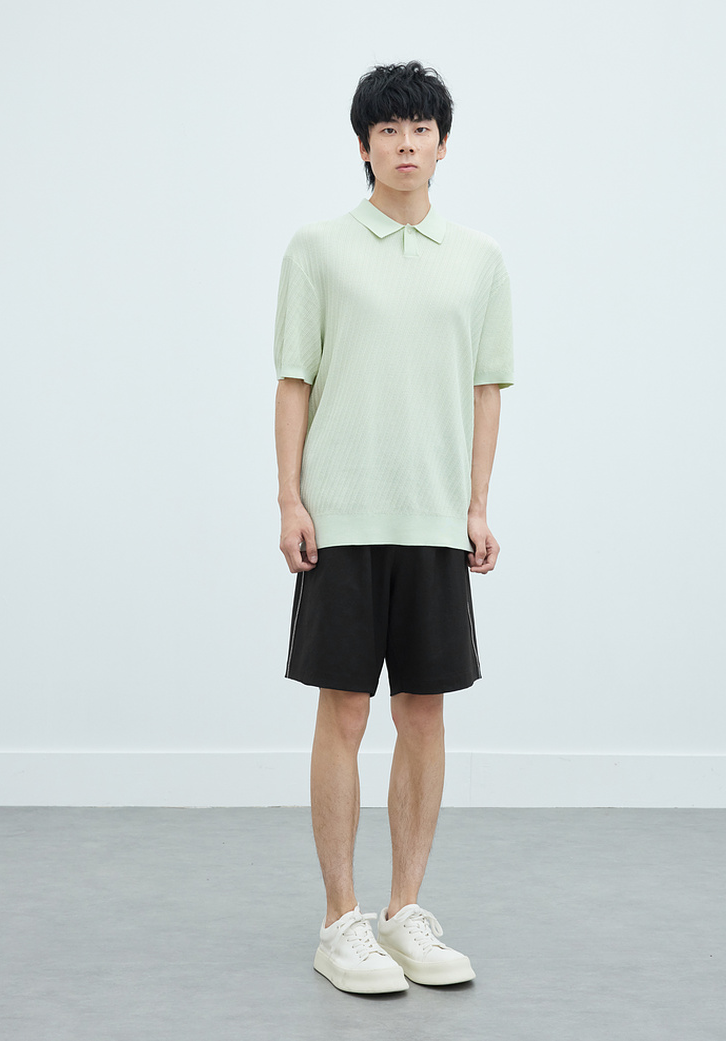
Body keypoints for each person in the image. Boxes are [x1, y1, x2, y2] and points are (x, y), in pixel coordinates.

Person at [273, 60, 513, 994]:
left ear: (443, 145)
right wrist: (290, 500)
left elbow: (487, 389)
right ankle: (341, 920)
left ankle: (403, 910)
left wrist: (477, 505)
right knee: (344, 711)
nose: (406, 144)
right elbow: (294, 380)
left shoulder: (480, 259)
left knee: (424, 711)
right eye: (388, 131)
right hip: (341, 517)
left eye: (421, 130)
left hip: (434, 520)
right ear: (365, 145)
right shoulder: (318, 249)